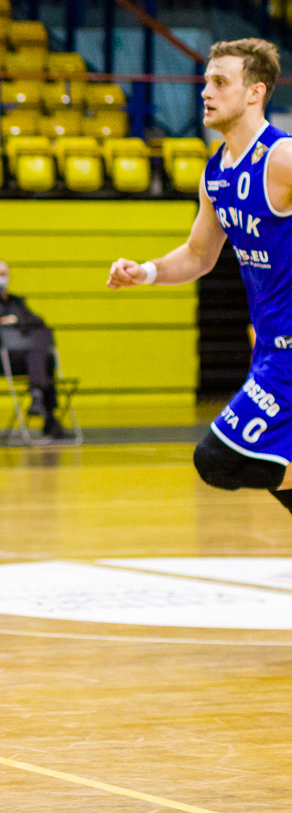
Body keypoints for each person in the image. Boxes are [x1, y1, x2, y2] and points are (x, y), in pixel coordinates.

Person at [109, 37, 292, 519]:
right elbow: (198, 254)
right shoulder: (216, 174)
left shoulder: (282, 158)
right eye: (206, 81)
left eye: (220, 82)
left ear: (254, 93)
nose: (205, 92)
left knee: (217, 460)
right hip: (270, 349)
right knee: (259, 463)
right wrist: (146, 272)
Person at [0, 259, 64, 438]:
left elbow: (38, 322)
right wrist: (18, 325)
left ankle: (43, 406)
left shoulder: (17, 302)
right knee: (39, 355)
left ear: (9, 276)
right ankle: (40, 399)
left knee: (44, 355)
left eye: (1, 274)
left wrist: (14, 321)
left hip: (24, 359)